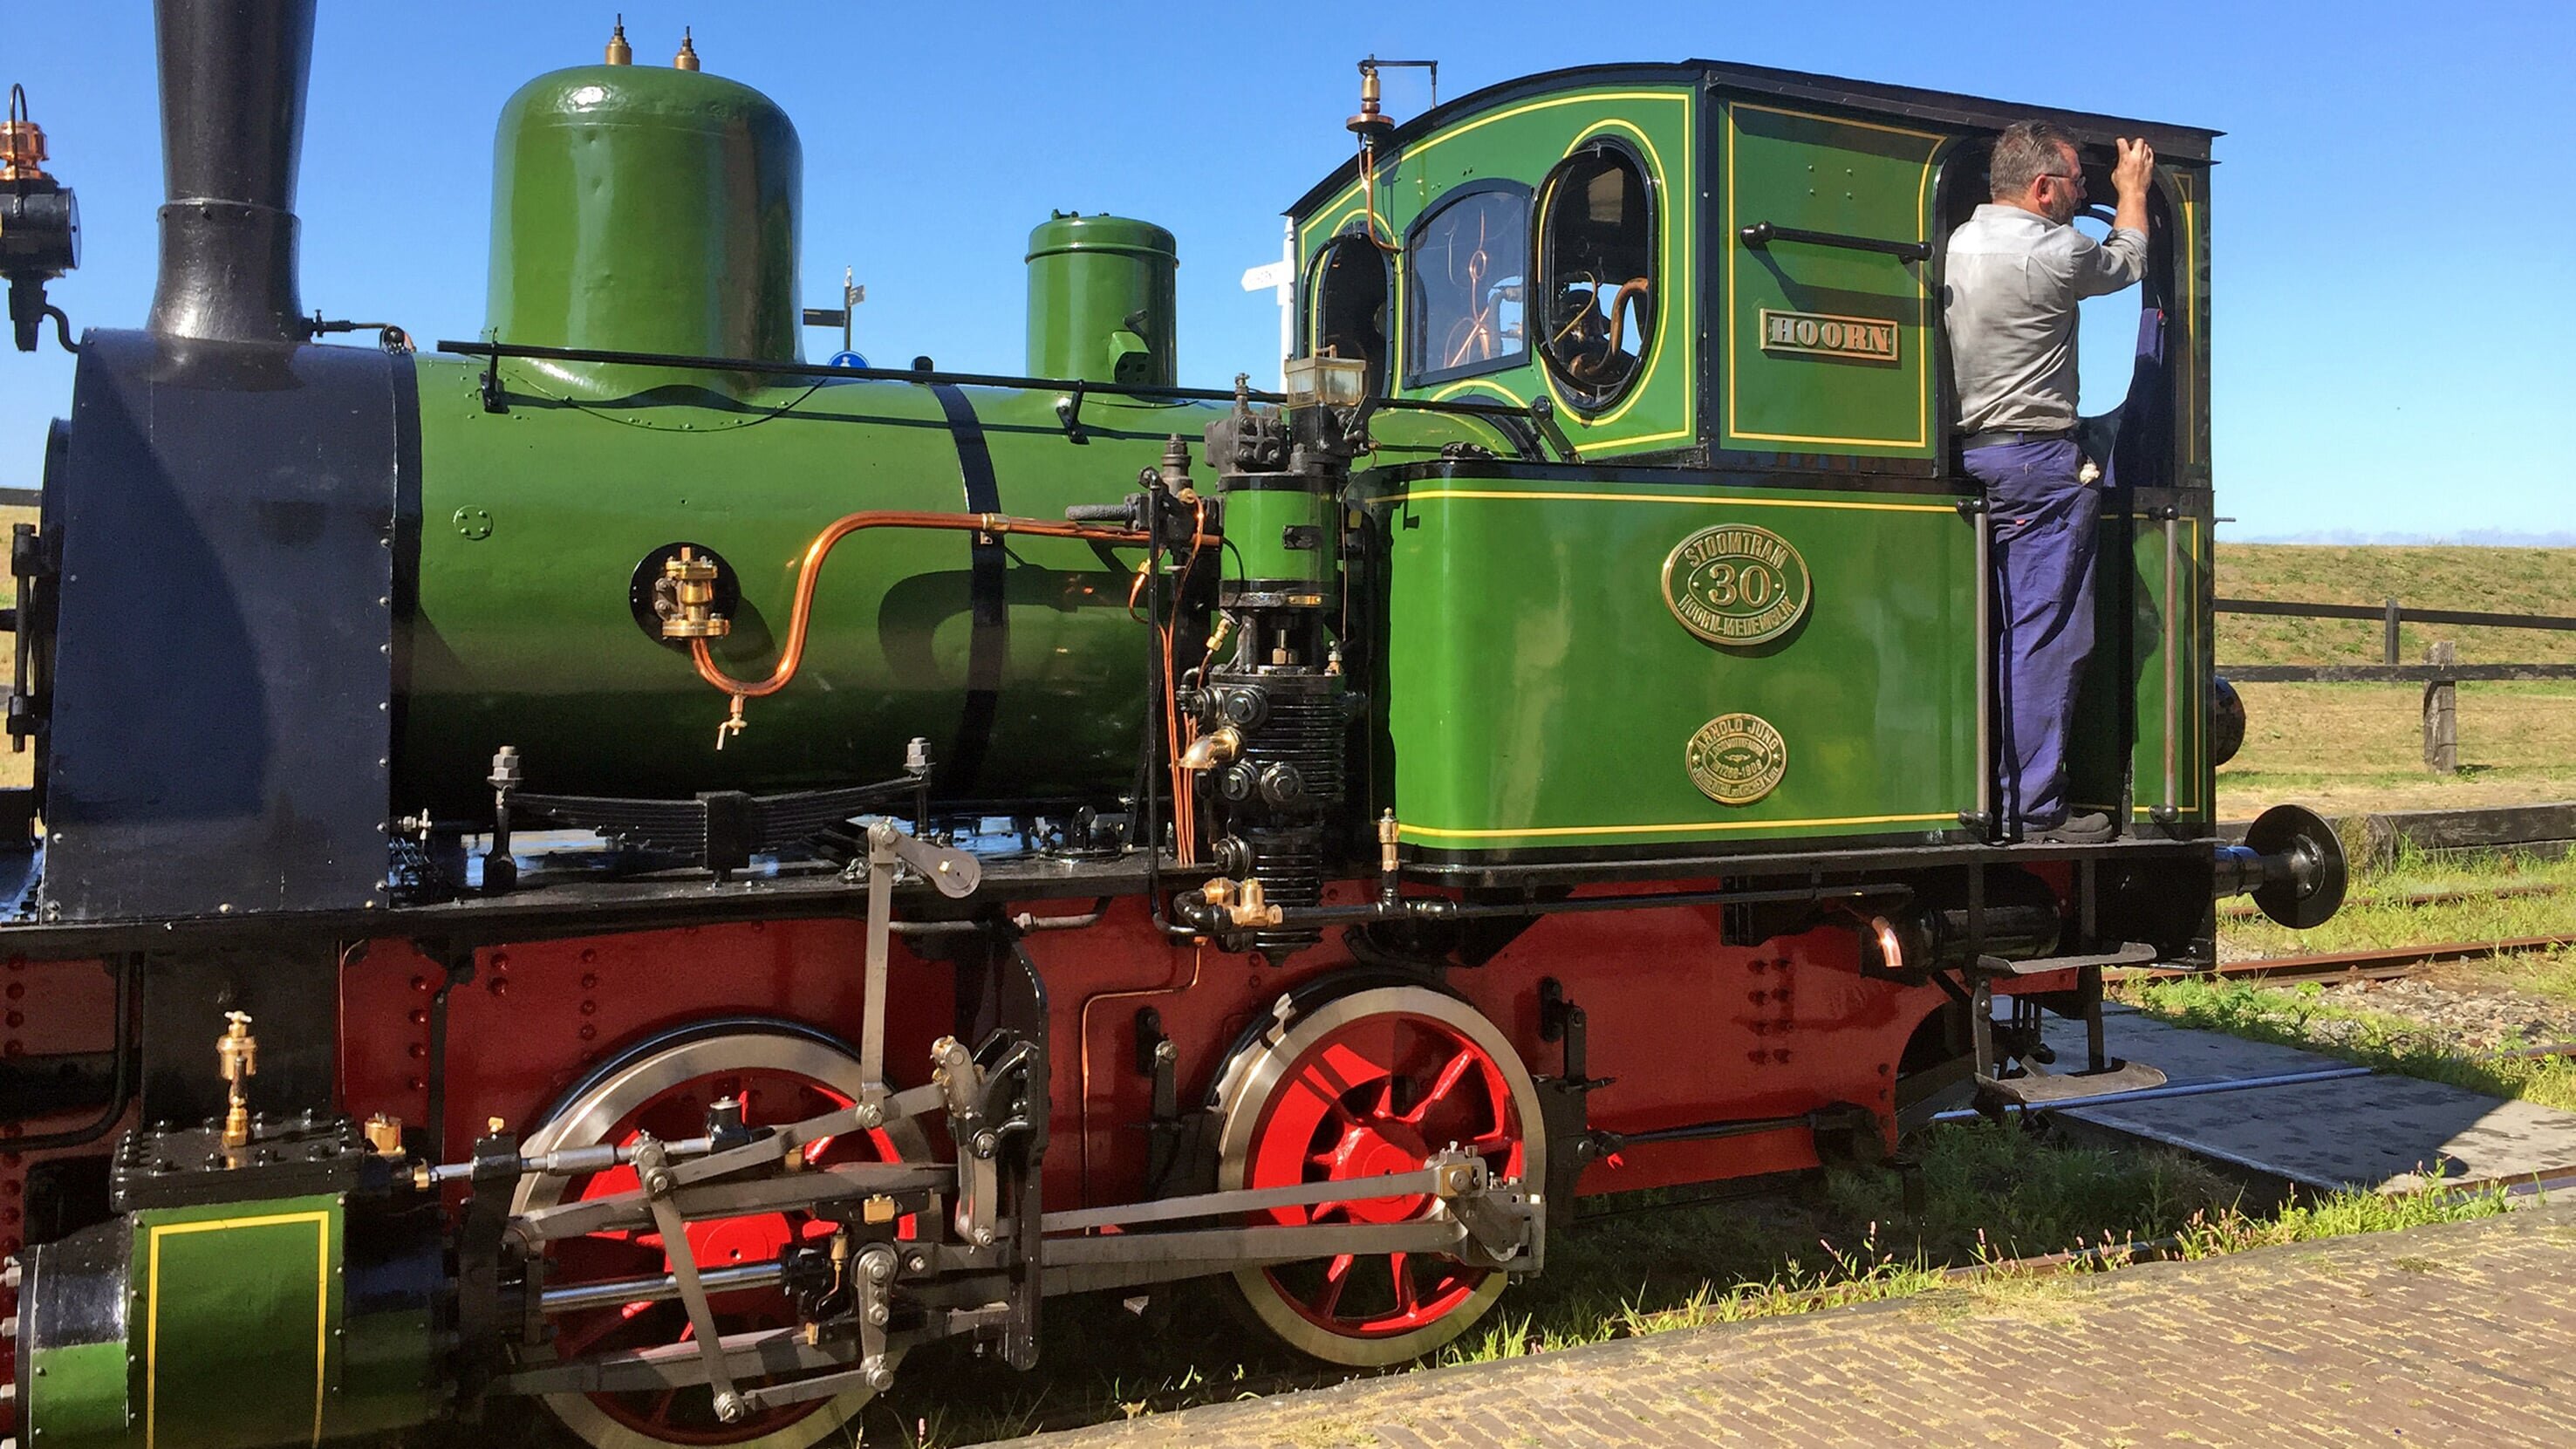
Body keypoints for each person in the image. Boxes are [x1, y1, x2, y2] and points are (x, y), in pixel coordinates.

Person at [1944, 120, 2155, 843]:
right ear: (2042, 189)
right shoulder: (2053, 249)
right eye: (2076, 184)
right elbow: (2125, 262)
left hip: (1976, 457)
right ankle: (2029, 807)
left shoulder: (1957, 244)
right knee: (2046, 637)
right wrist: (2132, 193)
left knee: (1996, 632)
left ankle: (1983, 789)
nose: (2082, 194)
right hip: (2038, 462)